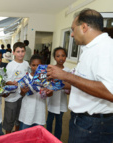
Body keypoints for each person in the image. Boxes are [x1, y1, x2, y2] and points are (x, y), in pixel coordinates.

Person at [47, 8, 113, 143]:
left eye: (73, 29)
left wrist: (66, 76)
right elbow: (82, 82)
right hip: (84, 121)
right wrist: (55, 83)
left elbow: (110, 92)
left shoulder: (106, 49)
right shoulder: (90, 49)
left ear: (83, 27)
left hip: (93, 125)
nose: (71, 35)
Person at [19, 54, 53, 130]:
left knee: (37, 133)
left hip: (39, 109)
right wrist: (23, 91)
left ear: (42, 66)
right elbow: (21, 93)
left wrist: (48, 92)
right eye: (33, 65)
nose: (36, 68)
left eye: (38, 65)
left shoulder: (46, 78)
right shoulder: (26, 78)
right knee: (25, 133)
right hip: (28, 109)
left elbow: (51, 94)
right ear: (30, 66)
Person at [3, 42, 29, 134]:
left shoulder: (26, 64)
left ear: (25, 52)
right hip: (12, 97)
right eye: (18, 51)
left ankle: (17, 135)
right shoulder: (10, 65)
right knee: (9, 119)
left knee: (19, 117)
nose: (20, 54)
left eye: (22, 51)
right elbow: (6, 81)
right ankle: (8, 137)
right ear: (13, 52)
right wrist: (14, 84)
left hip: (23, 95)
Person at [46, 47, 70, 140]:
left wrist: (68, 89)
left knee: (59, 122)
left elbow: (69, 87)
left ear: (66, 57)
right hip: (52, 100)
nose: (61, 58)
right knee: (49, 121)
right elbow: (47, 83)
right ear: (54, 58)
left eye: (63, 55)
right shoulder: (51, 69)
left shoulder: (68, 71)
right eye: (58, 56)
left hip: (62, 101)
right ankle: (48, 138)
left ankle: (56, 139)